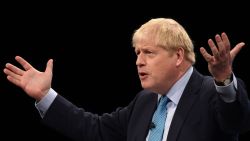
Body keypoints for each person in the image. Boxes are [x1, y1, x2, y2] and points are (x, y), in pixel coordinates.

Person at [3, 18, 250, 141]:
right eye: (137, 53)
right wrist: (45, 96)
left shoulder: (211, 92)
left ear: (178, 56)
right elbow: (95, 129)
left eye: (149, 53)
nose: (138, 61)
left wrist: (224, 80)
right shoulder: (144, 102)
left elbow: (235, 121)